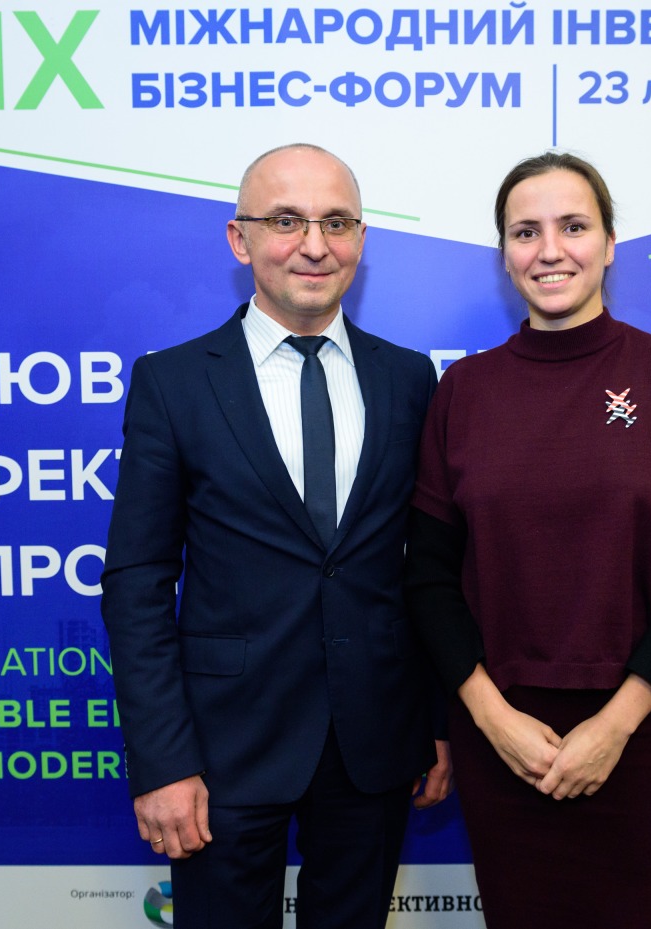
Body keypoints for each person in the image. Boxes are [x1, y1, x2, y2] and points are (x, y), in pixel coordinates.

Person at [101, 143, 451, 929]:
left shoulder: (408, 379)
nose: (314, 245)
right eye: (286, 221)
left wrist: (433, 723)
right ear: (240, 238)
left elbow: (425, 567)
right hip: (222, 751)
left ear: (361, 238)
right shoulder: (174, 382)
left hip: (374, 744)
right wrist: (162, 760)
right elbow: (137, 581)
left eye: (336, 222)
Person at [405, 152, 651, 928]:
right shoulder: (462, 392)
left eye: (573, 226)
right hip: (502, 739)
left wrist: (613, 725)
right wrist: (491, 719)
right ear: (503, 254)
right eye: (525, 231)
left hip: (645, 733)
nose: (549, 250)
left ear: (610, 243)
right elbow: (427, 576)